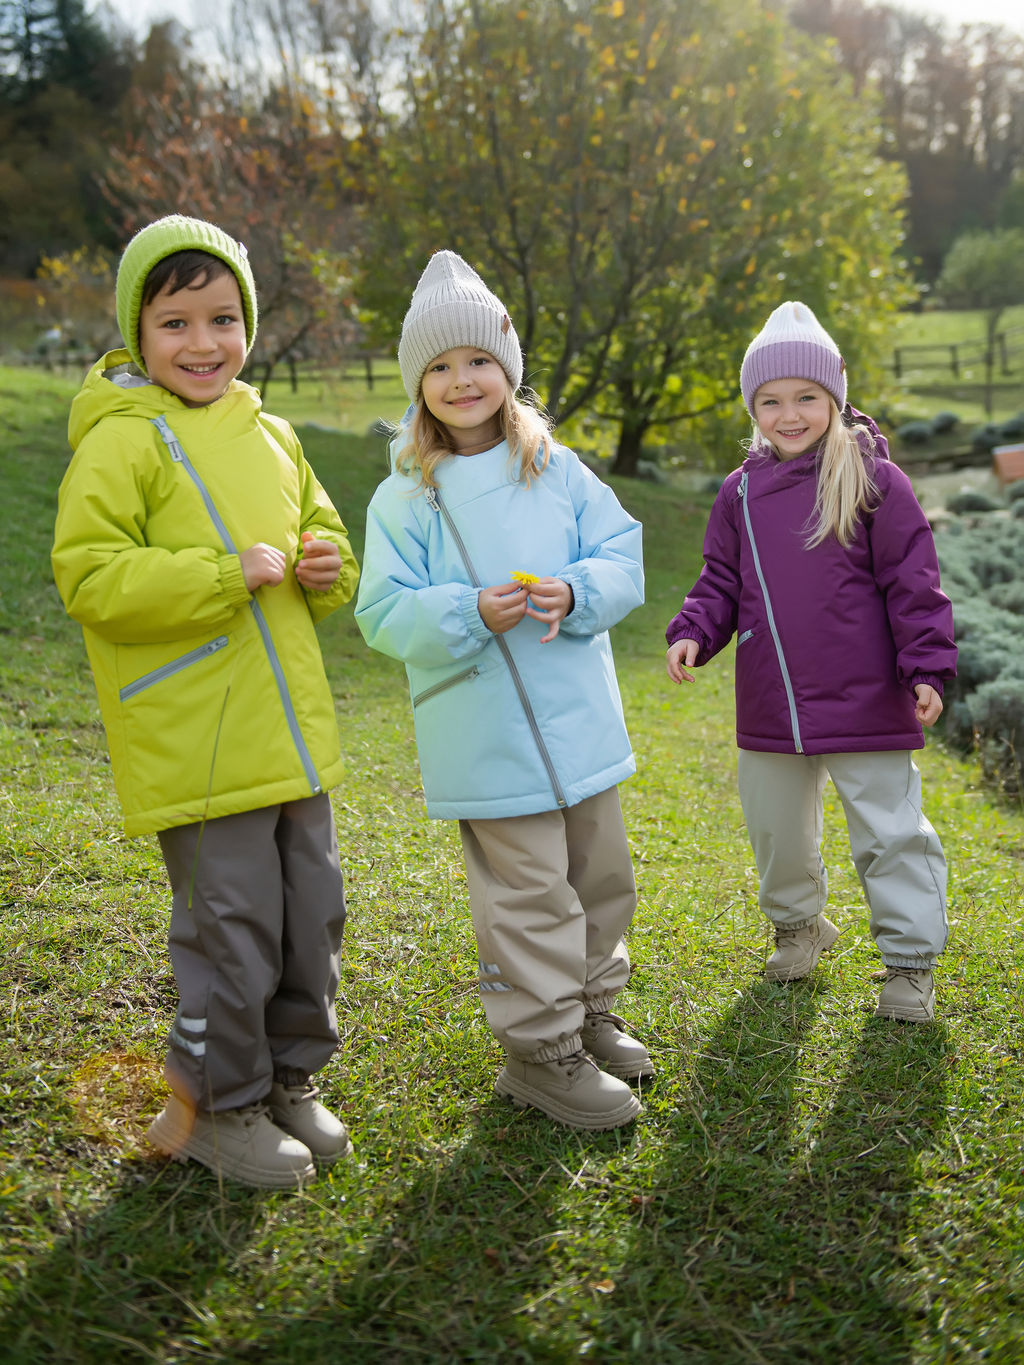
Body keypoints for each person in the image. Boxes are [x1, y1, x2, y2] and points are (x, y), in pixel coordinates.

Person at [51, 215, 360, 1187]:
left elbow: (326, 544)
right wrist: (220, 574)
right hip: (199, 739)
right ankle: (219, 1103)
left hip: (290, 738)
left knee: (310, 912)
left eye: (222, 319)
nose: (202, 343)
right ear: (137, 336)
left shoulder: (272, 432)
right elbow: (91, 577)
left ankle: (288, 1082)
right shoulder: (122, 442)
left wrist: (324, 565)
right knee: (231, 927)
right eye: (175, 322)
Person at [355, 251, 649, 1129]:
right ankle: (542, 1051)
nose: (461, 379)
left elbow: (621, 551)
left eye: (478, 359)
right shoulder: (405, 497)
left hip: (581, 727)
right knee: (527, 895)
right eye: (438, 367)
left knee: (600, 877)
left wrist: (579, 591)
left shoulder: (555, 467)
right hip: (484, 738)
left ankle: (594, 1010)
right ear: (418, 387)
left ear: (508, 370)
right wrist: (464, 610)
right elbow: (381, 611)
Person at [665, 301, 956, 1022]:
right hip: (773, 700)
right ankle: (799, 928)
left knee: (892, 832)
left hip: (867, 698)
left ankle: (910, 963)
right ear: (752, 405)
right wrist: (694, 629)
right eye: (770, 400)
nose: (788, 414)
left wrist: (927, 666)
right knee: (776, 831)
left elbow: (913, 581)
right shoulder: (738, 492)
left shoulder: (875, 480)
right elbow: (720, 581)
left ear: (835, 397)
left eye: (806, 397)